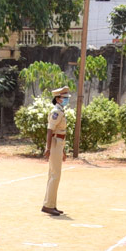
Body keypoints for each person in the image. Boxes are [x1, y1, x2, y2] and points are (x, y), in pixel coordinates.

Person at [42, 85, 68, 217]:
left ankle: (51, 204)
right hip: (55, 143)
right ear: (57, 99)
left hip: (58, 143)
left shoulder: (60, 110)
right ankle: (48, 205)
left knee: (54, 175)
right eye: (64, 97)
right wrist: (48, 148)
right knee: (54, 175)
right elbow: (50, 130)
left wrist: (63, 150)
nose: (66, 99)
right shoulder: (56, 112)